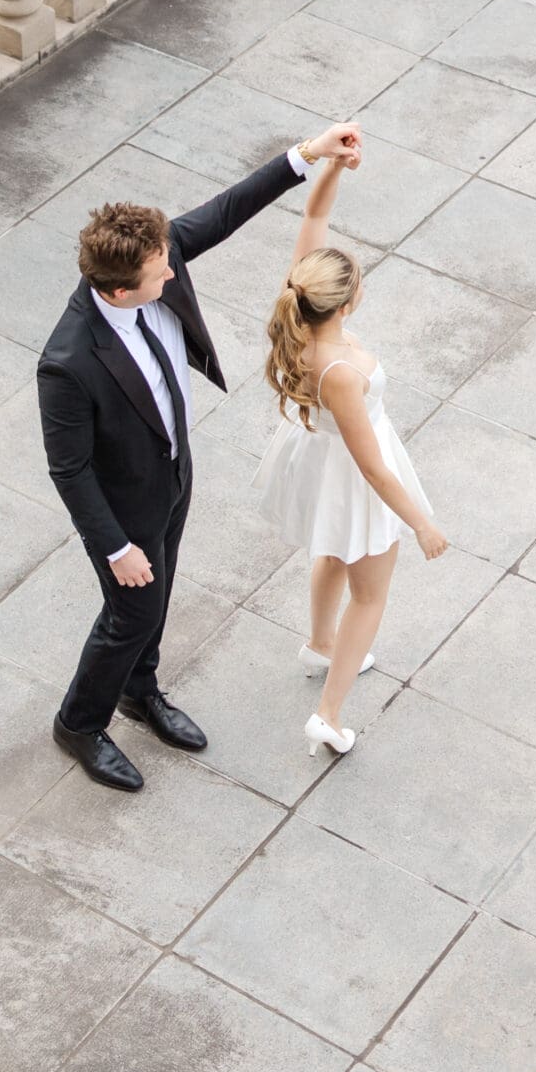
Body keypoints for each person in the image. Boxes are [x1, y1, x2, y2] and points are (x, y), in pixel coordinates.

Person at [38, 123, 362, 793]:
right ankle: (79, 721)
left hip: (172, 472)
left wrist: (309, 154)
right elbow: (68, 469)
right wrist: (114, 548)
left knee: (155, 606)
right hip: (123, 506)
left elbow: (224, 212)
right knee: (130, 611)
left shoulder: (155, 255)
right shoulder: (68, 363)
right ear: (121, 291)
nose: (173, 268)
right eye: (162, 272)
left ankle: (139, 690)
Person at [254, 152, 446, 759]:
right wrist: (421, 522)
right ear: (344, 306)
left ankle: (319, 642)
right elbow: (370, 465)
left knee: (332, 550)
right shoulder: (342, 370)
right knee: (369, 592)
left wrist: (332, 163)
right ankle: (329, 715)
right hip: (352, 469)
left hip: (319, 457)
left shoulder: (301, 309)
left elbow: (314, 211)